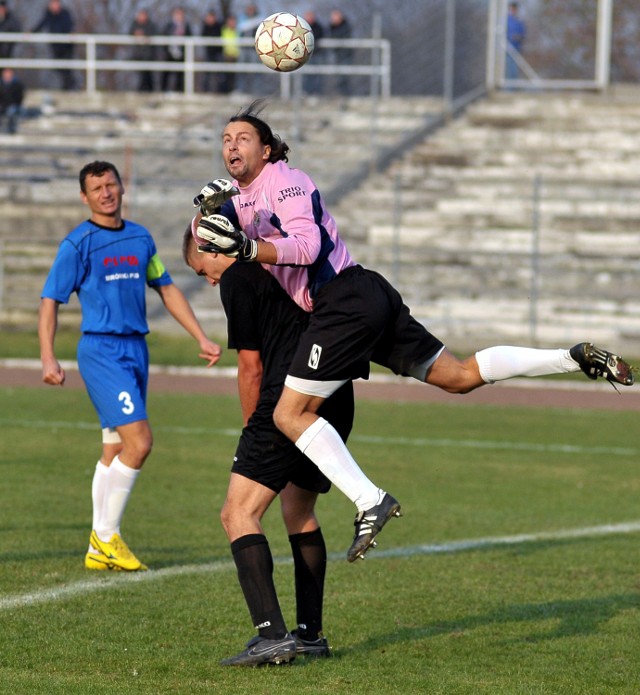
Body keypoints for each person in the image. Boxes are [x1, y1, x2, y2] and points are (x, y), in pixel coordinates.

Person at [191, 102, 635, 564]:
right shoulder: (238, 200)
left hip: (344, 302)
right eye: (225, 140)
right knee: (458, 377)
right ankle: (571, 356)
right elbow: (205, 241)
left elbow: (306, 248)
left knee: (287, 414)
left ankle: (370, 500)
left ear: (266, 150)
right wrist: (202, 211)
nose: (231, 146)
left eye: (243, 138)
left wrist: (246, 246)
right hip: (366, 298)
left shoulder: (284, 179)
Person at [183, 226, 354, 666]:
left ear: (210, 248)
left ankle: (272, 636)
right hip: (334, 394)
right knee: (299, 512)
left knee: (237, 512)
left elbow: (250, 367)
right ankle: (310, 635)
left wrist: (251, 430)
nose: (209, 280)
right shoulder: (276, 264)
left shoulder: (240, 276)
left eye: (203, 270)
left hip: (286, 401)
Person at [39, 161, 221, 572]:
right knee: (139, 443)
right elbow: (50, 300)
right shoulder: (78, 243)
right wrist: (48, 355)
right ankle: (106, 537)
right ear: (84, 197)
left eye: (111, 184)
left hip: (136, 350)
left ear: (123, 187)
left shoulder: (141, 238)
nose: (106, 192)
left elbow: (166, 288)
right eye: (96, 187)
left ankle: (97, 547)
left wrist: (201, 336)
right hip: (101, 351)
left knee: (115, 447)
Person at [31, 0, 76, 91]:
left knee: (66, 68)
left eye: (56, 3)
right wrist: (32, 32)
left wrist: (71, 33)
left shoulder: (65, 13)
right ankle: (65, 86)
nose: (54, 6)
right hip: (55, 46)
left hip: (66, 46)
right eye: (53, 3)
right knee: (58, 67)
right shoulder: (48, 14)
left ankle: (69, 87)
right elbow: (41, 24)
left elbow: (70, 26)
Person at [161, 6, 192, 92]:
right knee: (166, 72)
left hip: (181, 53)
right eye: (178, 14)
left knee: (181, 73)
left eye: (181, 14)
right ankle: (164, 90)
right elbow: (164, 36)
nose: (179, 16)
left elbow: (190, 38)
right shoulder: (169, 26)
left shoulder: (186, 26)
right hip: (170, 52)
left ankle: (179, 90)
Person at [129, 8, 158, 93]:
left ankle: (149, 90)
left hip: (148, 54)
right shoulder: (134, 24)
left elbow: (152, 34)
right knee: (140, 74)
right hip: (138, 54)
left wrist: (145, 35)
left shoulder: (150, 25)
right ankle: (141, 90)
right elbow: (130, 33)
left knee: (148, 74)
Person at [327, 9, 352, 95]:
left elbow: (340, 36)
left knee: (344, 76)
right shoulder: (331, 27)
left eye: (335, 16)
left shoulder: (345, 26)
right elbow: (330, 35)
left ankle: (345, 94)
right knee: (338, 75)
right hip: (337, 54)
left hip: (346, 54)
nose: (333, 19)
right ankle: (340, 93)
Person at [237, 3, 261, 94]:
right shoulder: (242, 19)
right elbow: (239, 30)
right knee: (241, 70)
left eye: (252, 8)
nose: (250, 10)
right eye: (249, 8)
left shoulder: (259, 20)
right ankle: (240, 90)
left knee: (255, 71)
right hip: (243, 48)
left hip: (253, 49)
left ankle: (256, 90)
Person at [302, 10, 324, 95]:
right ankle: (306, 92)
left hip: (316, 54)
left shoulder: (318, 27)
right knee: (306, 75)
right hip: (305, 55)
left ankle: (317, 93)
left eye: (311, 16)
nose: (310, 18)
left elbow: (318, 36)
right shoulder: (302, 26)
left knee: (317, 75)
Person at [200, 9, 222, 93]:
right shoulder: (205, 26)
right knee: (206, 73)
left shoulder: (218, 26)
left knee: (219, 74)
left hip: (217, 52)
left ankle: (219, 91)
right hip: (208, 53)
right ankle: (205, 90)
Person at [0, 67, 24, 134]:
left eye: (9, 73)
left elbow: (19, 97)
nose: (7, 74)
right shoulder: (1, 84)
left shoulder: (17, 84)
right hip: (2, 105)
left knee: (12, 111)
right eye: (5, 73)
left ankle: (11, 130)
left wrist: (14, 104)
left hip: (13, 105)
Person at [220, 14, 240, 94]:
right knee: (225, 76)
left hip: (235, 56)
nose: (232, 23)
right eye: (230, 21)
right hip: (226, 55)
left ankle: (233, 91)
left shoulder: (237, 31)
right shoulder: (224, 30)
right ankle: (224, 92)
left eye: (233, 21)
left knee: (234, 76)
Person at [506, 2, 526, 80]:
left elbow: (523, 34)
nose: (513, 10)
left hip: (516, 49)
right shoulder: (506, 20)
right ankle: (507, 89)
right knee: (507, 69)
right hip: (506, 49)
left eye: (515, 9)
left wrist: (518, 37)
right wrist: (510, 37)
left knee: (514, 71)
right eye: (512, 9)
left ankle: (512, 88)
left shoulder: (519, 21)